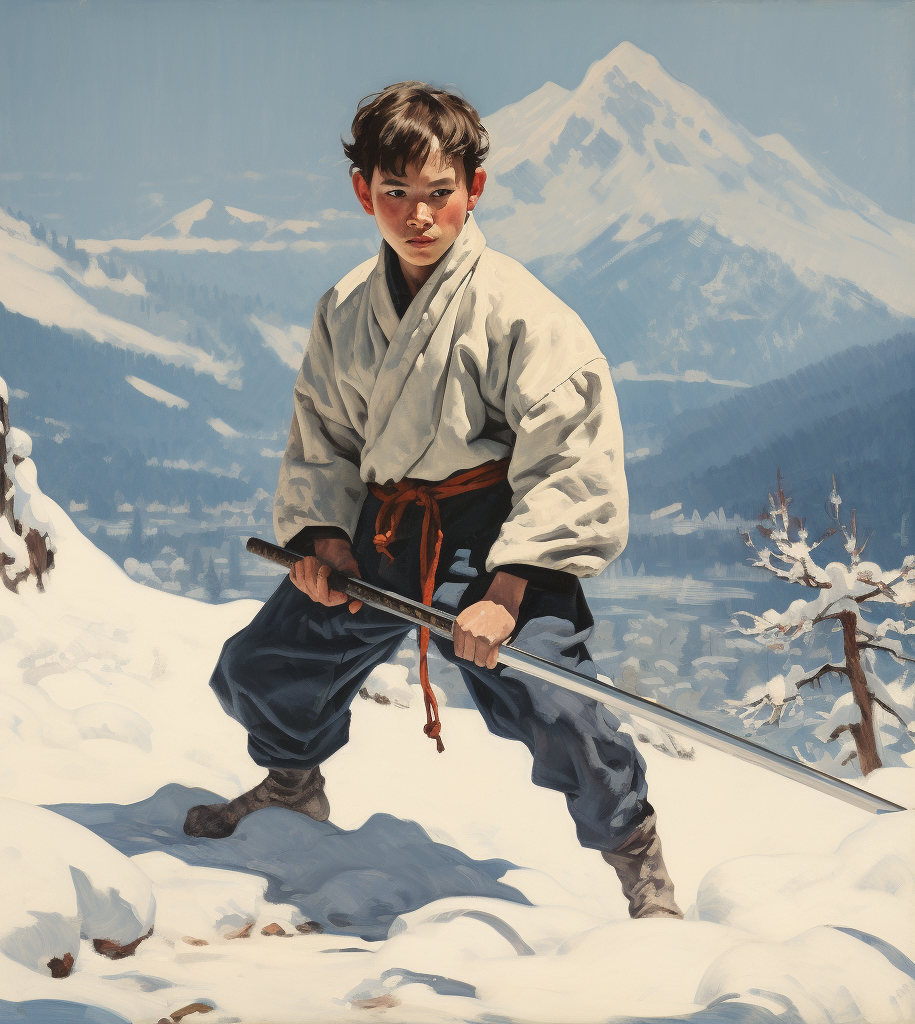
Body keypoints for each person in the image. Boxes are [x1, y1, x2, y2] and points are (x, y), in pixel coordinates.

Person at [184, 82, 682, 920]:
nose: (418, 216)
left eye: (439, 194)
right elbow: (324, 438)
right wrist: (323, 539)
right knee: (260, 668)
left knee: (552, 703)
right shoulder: (346, 308)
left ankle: (639, 859)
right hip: (383, 524)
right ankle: (293, 785)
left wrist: (508, 588)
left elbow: (569, 458)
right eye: (396, 194)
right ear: (364, 192)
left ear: (474, 189)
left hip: (493, 532)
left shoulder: (520, 310)